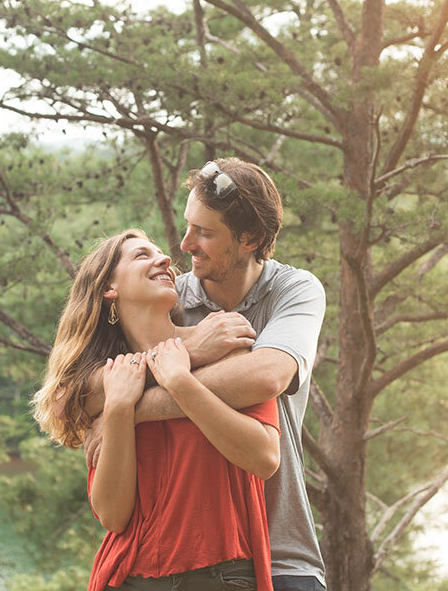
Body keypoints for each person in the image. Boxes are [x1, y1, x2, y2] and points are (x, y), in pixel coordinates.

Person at [84, 158, 327, 591]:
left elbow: (266, 374)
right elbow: (76, 391)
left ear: (250, 238)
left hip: (280, 548)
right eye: (187, 225)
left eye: (205, 233)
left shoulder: (293, 290)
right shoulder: (168, 296)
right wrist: (188, 350)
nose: (183, 245)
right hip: (157, 557)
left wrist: (132, 409)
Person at [33, 229, 281, 591]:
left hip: (220, 575)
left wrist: (181, 382)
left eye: (160, 254)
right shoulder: (107, 385)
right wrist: (119, 408)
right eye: (140, 256)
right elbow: (114, 516)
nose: (164, 260)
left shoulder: (223, 343)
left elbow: (265, 457)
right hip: (129, 576)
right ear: (109, 290)